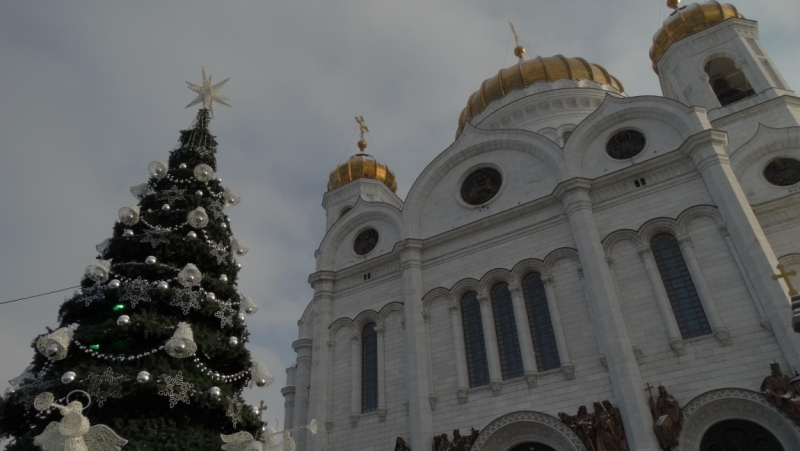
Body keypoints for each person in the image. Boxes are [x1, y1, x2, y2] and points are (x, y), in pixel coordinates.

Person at [648, 385, 682, 450]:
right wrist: (653, 406)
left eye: (662, 389)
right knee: (656, 427)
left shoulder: (669, 397)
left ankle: (669, 441)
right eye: (659, 390)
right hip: (663, 415)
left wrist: (668, 402)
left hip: (670, 414)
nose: (661, 391)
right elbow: (658, 410)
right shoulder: (659, 399)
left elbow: (675, 404)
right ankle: (664, 443)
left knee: (664, 426)